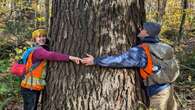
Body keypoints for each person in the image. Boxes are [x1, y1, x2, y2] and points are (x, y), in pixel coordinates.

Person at [81, 22, 178, 110]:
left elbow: (119, 60)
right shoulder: (165, 47)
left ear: (147, 33)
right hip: (169, 90)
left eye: (143, 29)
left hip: (158, 94)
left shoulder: (141, 51)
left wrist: (95, 60)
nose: (140, 30)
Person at [20, 29, 81, 110]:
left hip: (29, 86)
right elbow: (52, 55)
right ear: (35, 39)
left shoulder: (33, 49)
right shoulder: (38, 51)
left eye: (44, 36)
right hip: (31, 88)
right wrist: (70, 57)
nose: (42, 38)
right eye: (39, 37)